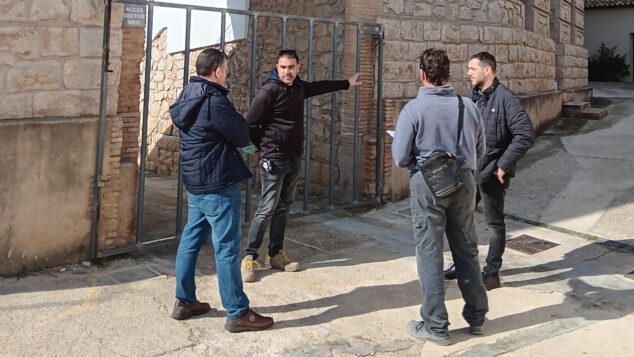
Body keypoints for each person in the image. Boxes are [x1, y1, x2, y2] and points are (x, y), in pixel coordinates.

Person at [169, 48, 273, 332]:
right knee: (227, 248)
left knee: (191, 239)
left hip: (196, 182)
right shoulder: (214, 100)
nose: (227, 72)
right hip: (217, 182)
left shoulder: (188, 93)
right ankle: (238, 312)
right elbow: (241, 132)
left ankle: (184, 301)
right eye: (226, 68)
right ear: (216, 70)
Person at [392, 48, 488, 346]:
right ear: (449, 75)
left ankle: (436, 325)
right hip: (465, 181)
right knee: (467, 250)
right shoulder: (468, 106)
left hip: (428, 184)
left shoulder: (413, 110)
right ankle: (477, 317)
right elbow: (481, 150)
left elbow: (400, 157)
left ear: (421, 74)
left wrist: (419, 167)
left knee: (430, 252)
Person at [241, 49, 362, 282]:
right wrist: (257, 149)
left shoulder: (298, 88)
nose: (287, 71)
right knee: (266, 208)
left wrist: (346, 83)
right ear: (277, 67)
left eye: (292, 67)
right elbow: (250, 124)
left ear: (298, 67)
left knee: (284, 207)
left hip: (293, 157)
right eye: (283, 67)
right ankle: (249, 257)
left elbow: (318, 87)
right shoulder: (268, 91)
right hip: (273, 159)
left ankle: (275, 254)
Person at [444, 52, 535, 290]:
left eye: (472, 68)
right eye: (468, 69)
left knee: (494, 225)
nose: (468, 73)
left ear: (488, 70)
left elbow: (524, 135)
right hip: (468, 171)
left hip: (492, 173)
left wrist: (503, 164)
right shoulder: (469, 97)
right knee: (460, 220)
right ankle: (462, 264)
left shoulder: (506, 99)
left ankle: (492, 273)